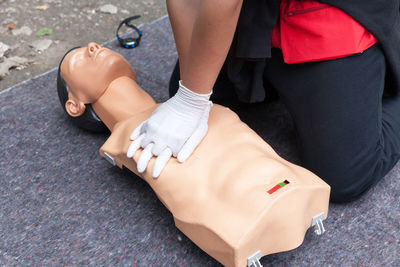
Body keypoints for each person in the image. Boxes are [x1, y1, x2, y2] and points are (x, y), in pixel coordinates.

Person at [58, 43, 330, 266]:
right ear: (74, 105)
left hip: (291, 180)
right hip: (239, 218)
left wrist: (191, 103)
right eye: (79, 59)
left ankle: (282, 186)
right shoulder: (128, 144)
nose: (93, 47)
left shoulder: (195, 99)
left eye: (90, 46)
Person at [131, 0, 400, 203]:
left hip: (331, 11)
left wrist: (191, 102)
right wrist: (190, 96)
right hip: (258, 10)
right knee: (197, 81)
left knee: (344, 176)